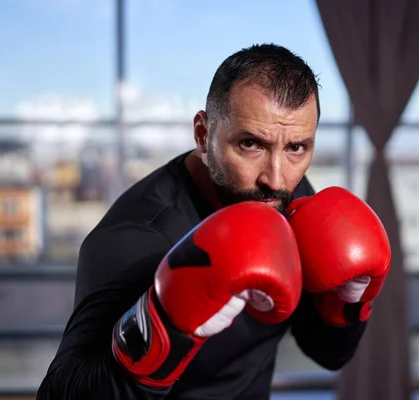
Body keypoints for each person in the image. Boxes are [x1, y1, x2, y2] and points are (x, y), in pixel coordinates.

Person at [37, 43, 391, 400]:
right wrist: (163, 324)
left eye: (297, 148)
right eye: (251, 144)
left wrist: (347, 302)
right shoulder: (137, 238)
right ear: (204, 136)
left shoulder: (289, 198)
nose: (277, 178)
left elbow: (328, 353)